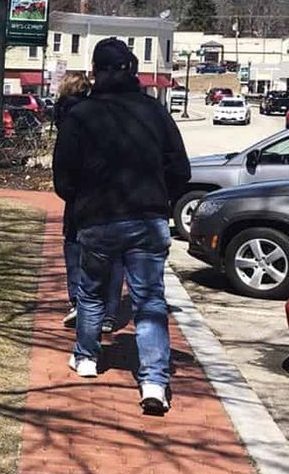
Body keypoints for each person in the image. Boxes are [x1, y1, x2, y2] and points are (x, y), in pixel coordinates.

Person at [53, 38, 191, 416]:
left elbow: (63, 178)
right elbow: (181, 170)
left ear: (96, 72)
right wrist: (160, 197)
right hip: (147, 218)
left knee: (92, 293)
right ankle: (154, 381)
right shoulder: (154, 112)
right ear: (132, 70)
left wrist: (81, 202)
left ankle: (86, 357)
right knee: (150, 300)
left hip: (98, 218)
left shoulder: (80, 116)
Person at [54, 72, 123, 335]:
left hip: (79, 193)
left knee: (74, 246)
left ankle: (78, 299)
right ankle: (109, 311)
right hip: (110, 191)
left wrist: (69, 192)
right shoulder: (104, 113)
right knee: (113, 255)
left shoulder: (64, 114)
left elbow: (63, 164)